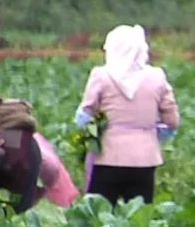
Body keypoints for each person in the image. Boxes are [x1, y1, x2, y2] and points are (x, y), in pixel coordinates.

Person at [75, 25, 180, 204]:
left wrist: (92, 133)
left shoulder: (101, 76)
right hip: (145, 159)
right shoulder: (157, 77)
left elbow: (85, 115)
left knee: (101, 214)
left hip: (108, 156)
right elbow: (172, 121)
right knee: (139, 217)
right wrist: (155, 133)